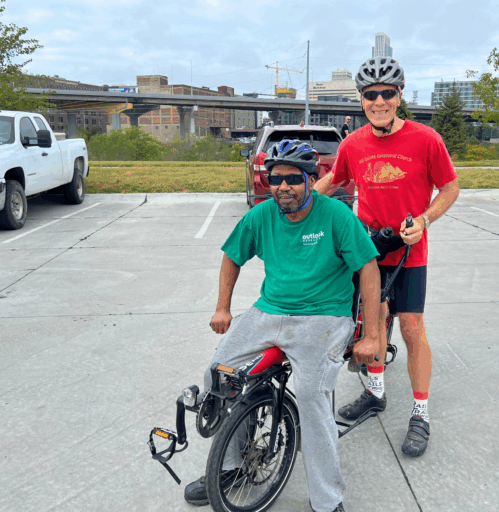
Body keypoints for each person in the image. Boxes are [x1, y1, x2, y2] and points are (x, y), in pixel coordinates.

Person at [184, 139, 382, 512]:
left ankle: (327, 499)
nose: (283, 187)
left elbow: (368, 271)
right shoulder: (261, 215)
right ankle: (230, 466)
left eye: (293, 178)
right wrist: (222, 308)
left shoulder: (337, 217)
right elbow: (232, 256)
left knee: (310, 397)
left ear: (311, 179)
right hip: (269, 311)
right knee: (219, 375)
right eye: (275, 179)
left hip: (324, 316)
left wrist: (370, 335)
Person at [314, 57, 460, 458]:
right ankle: (375, 393)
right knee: (372, 323)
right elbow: (334, 179)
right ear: (361, 99)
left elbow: (450, 188)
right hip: (368, 251)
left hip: (410, 249)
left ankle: (420, 413)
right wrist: (296, 205)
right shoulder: (354, 143)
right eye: (370, 95)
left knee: (412, 329)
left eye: (386, 94)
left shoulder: (426, 139)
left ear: (399, 96)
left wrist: (426, 220)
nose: (378, 101)